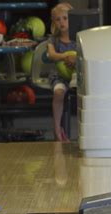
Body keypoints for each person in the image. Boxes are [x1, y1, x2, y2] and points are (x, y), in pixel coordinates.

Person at [47, 3, 76, 142]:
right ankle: (57, 129)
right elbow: (52, 55)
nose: (62, 22)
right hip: (59, 77)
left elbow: (84, 55)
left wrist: (76, 59)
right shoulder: (53, 40)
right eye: (58, 19)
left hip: (76, 77)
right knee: (59, 93)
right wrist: (66, 56)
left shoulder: (78, 39)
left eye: (65, 18)